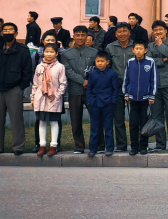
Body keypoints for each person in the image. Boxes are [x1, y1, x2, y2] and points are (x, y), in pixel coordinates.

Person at [0, 23, 34, 155]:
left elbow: (27, 71)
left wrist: (21, 87)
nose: (7, 32)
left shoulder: (23, 50)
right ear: (2, 33)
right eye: (5, 30)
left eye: (10, 30)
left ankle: (18, 147)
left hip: (14, 89)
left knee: (16, 120)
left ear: (16, 33)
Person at [60, 25, 97, 153]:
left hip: (91, 91)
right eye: (78, 35)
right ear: (73, 36)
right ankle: (79, 146)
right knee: (76, 120)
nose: (80, 37)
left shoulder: (94, 52)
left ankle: (98, 144)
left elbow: (97, 69)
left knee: (96, 118)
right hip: (75, 91)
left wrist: (90, 81)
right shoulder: (66, 54)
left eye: (83, 35)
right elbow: (68, 71)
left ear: (87, 36)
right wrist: (83, 81)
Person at [147, 20, 168, 152]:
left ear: (166, 30)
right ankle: (160, 144)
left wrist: (161, 46)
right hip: (155, 85)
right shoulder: (150, 46)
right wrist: (164, 59)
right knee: (156, 116)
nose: (158, 32)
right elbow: (149, 61)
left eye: (160, 29)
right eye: (155, 30)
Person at [31, 43, 67, 157]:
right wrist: (33, 98)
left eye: (52, 52)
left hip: (53, 99)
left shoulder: (60, 67)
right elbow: (35, 84)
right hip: (40, 99)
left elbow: (63, 83)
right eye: (47, 52)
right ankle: (42, 145)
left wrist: (57, 96)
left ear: (56, 53)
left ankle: (53, 145)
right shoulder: (39, 67)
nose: (49, 54)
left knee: (54, 122)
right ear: (43, 53)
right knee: (42, 122)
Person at [123, 40, 157, 155]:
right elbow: (126, 79)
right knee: (133, 124)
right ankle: (134, 147)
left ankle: (143, 146)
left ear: (145, 50)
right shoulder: (130, 62)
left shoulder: (150, 62)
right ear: (133, 50)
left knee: (144, 124)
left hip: (145, 99)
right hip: (132, 99)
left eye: (141, 48)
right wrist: (126, 93)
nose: (138, 51)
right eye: (136, 48)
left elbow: (154, 80)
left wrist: (152, 95)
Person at [105, 22, 135, 151]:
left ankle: (136, 143)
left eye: (124, 31)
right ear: (115, 34)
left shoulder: (136, 46)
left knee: (135, 117)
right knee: (118, 118)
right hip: (116, 86)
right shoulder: (110, 48)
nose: (122, 34)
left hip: (134, 85)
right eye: (119, 32)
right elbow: (108, 67)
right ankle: (122, 144)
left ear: (129, 32)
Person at [86, 51, 118, 157]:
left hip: (108, 103)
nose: (99, 63)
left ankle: (109, 148)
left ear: (107, 62)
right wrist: (89, 100)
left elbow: (115, 89)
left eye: (102, 61)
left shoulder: (112, 74)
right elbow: (89, 88)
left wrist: (113, 101)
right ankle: (92, 149)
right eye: (98, 61)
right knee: (94, 127)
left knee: (108, 127)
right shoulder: (92, 74)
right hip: (95, 103)